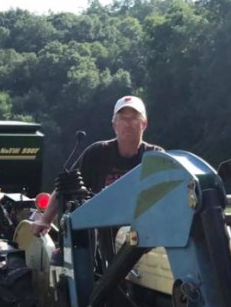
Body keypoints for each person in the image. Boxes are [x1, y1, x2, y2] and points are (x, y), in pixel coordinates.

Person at [31, 95, 163, 235]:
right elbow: (65, 185)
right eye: (123, 118)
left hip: (144, 234)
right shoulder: (97, 152)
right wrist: (45, 220)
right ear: (114, 125)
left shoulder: (156, 157)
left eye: (134, 118)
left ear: (144, 124)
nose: (128, 123)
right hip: (100, 235)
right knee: (60, 255)